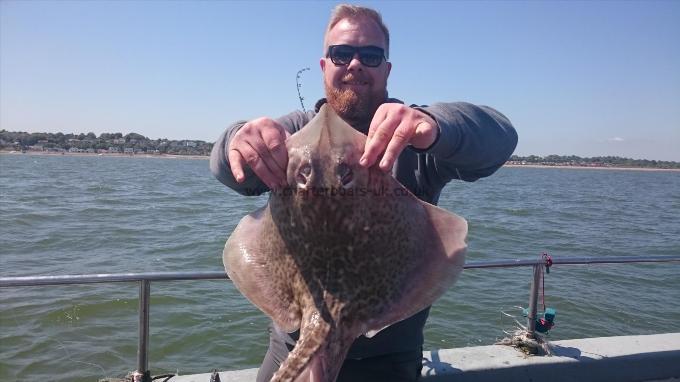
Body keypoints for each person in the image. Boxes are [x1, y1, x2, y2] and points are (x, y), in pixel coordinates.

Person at [210, 4, 518, 381]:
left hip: (388, 361)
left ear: (387, 69)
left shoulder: (411, 137)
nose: (355, 64)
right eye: (341, 53)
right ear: (325, 66)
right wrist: (237, 139)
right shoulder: (293, 134)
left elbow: (501, 138)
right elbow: (228, 170)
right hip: (290, 347)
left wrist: (436, 125)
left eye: (370, 55)